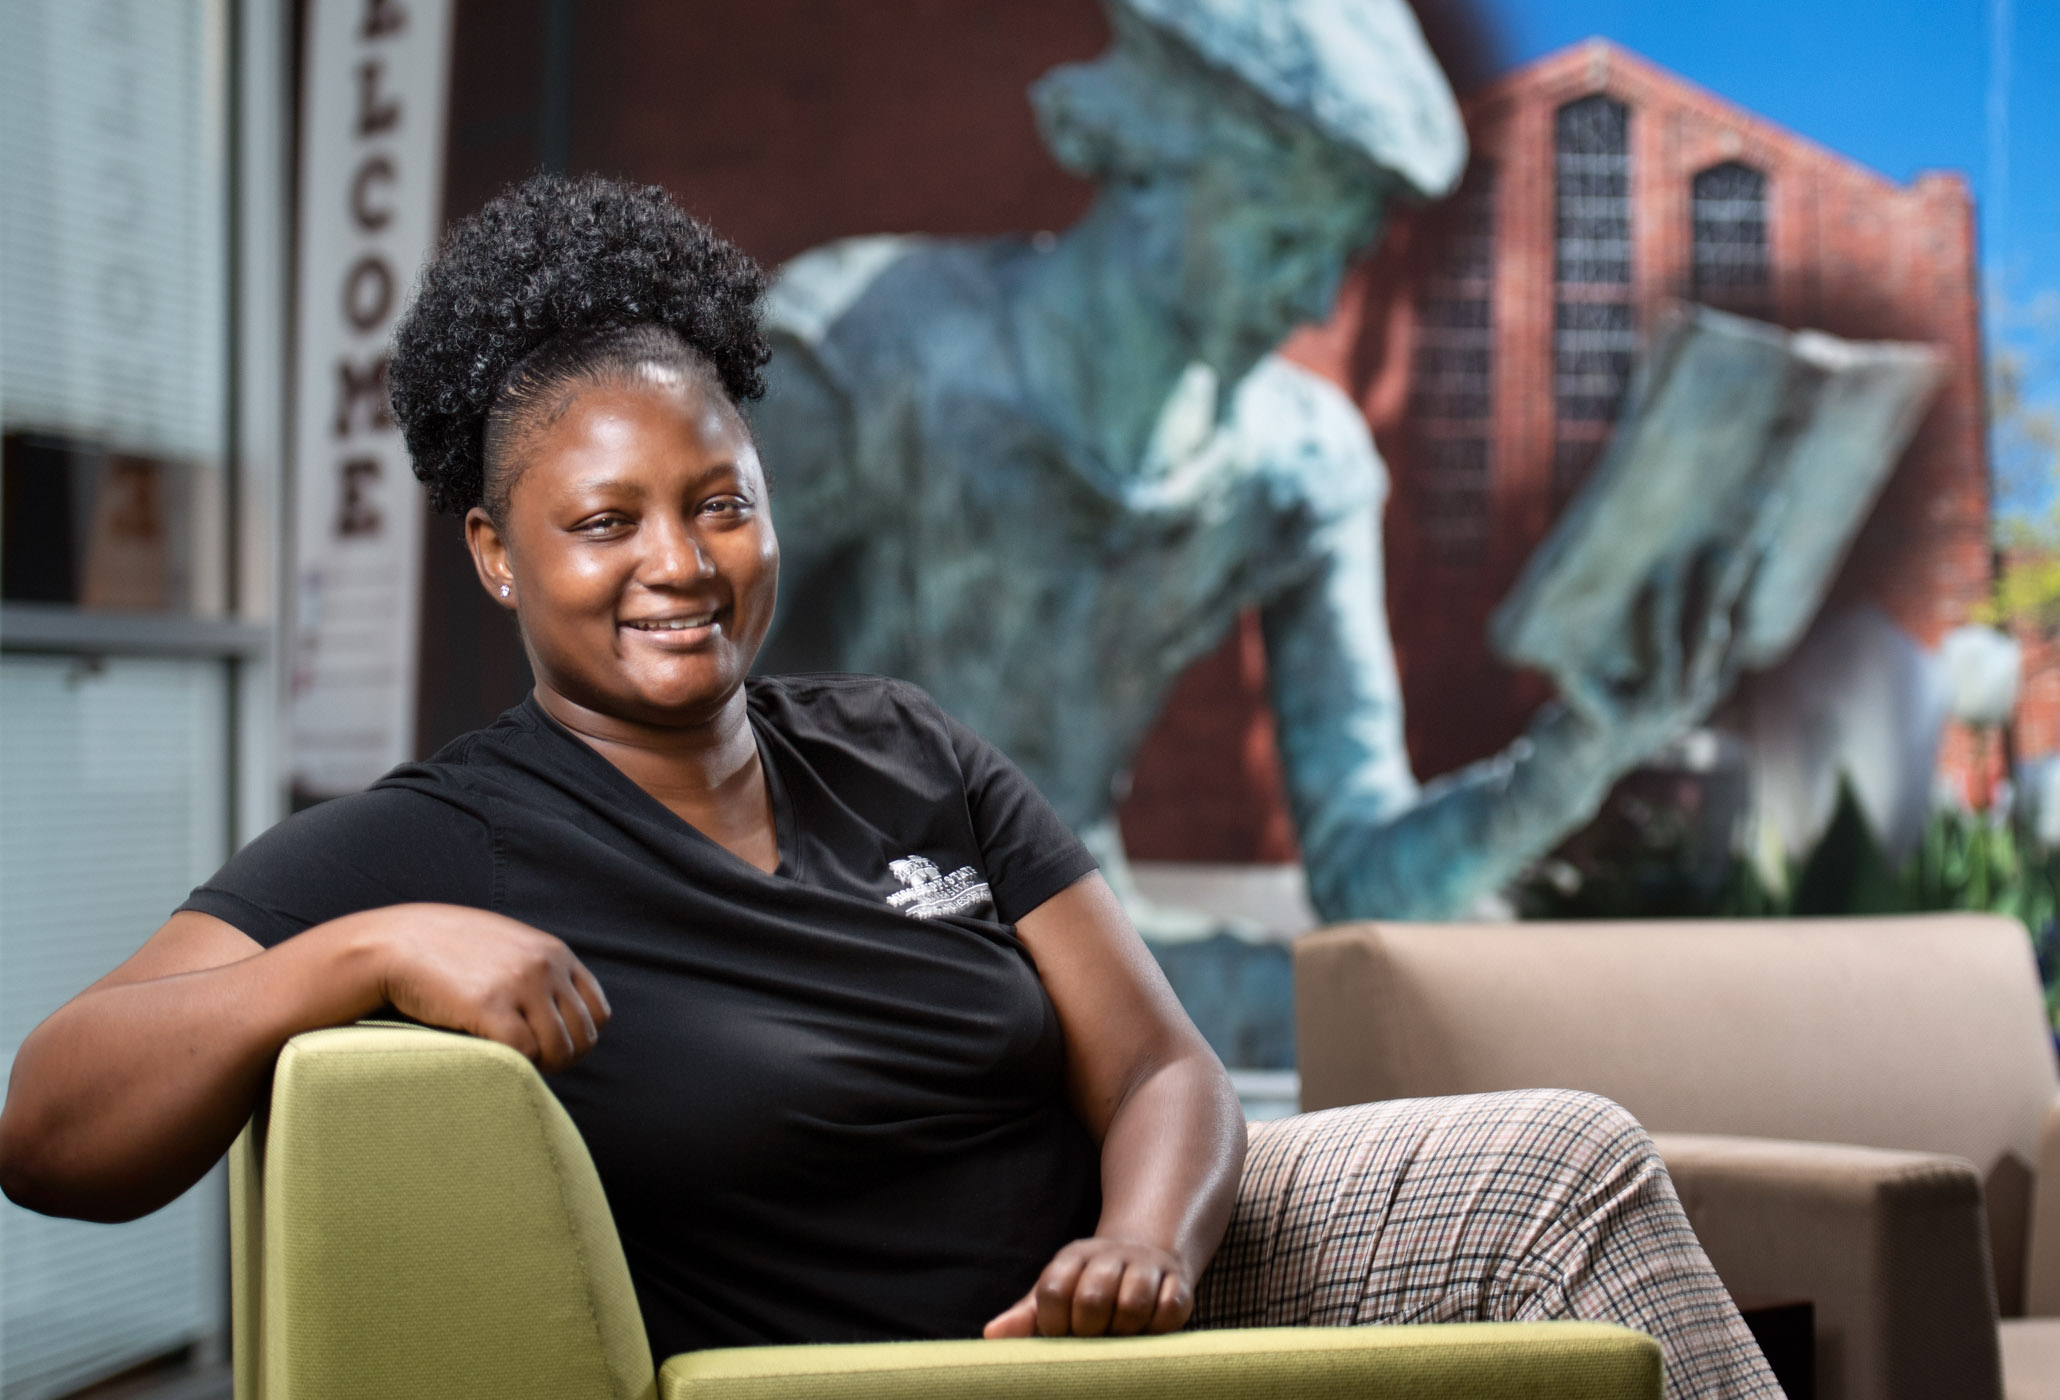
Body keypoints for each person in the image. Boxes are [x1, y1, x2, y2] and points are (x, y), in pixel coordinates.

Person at [0, 177, 1778, 1398]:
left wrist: (1146, 1240)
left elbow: (1157, 1062)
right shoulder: (441, 839)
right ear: (493, 555)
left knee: (1566, 1167)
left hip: (1126, 1298)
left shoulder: (907, 750)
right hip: (906, 1369)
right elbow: (52, 1125)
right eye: (602, 523)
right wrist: (362, 950)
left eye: (718, 500)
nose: (678, 563)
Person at [750, 0, 1756, 930]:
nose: (1316, 302)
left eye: (1341, 255)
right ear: (1157, 160)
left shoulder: (1298, 467)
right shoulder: (867, 352)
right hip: (836, 924)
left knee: (1431, 1003)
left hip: (1085, 942)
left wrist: (1579, 754)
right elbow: (651, 703)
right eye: (1285, 239)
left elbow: (1364, 880)